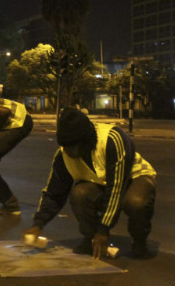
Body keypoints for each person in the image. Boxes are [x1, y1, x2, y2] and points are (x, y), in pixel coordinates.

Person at [24, 107, 157, 259]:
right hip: (100, 182)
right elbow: (54, 193)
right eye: (66, 147)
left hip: (134, 177)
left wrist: (104, 229)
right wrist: (38, 224)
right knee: (80, 193)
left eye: (74, 147)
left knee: (136, 202)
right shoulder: (63, 155)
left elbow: (116, 188)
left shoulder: (113, 139)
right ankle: (90, 239)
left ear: (85, 140)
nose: (70, 152)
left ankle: (139, 242)